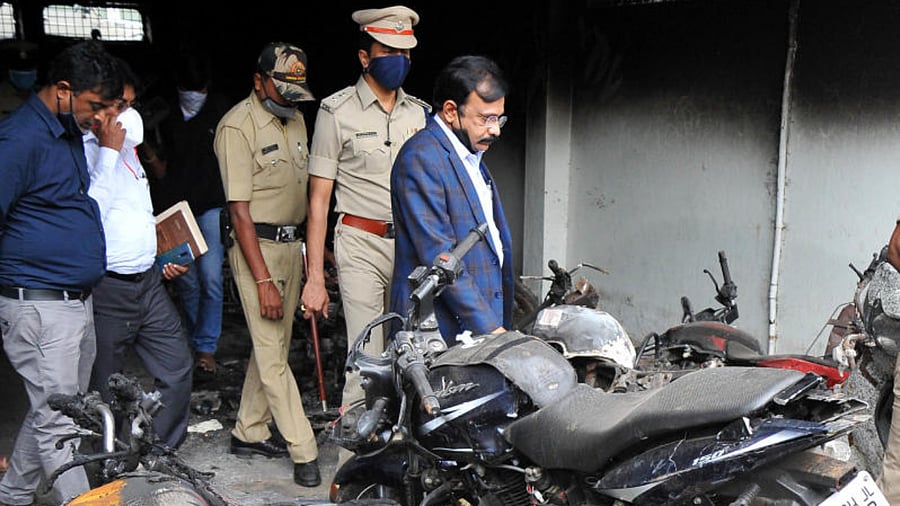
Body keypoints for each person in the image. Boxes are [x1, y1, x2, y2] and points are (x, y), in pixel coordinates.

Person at [0, 40, 122, 506]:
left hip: (72, 302)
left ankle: (12, 495)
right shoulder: (19, 139)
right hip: (38, 304)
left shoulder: (67, 132)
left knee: (54, 410)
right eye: (96, 105)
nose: (102, 116)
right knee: (59, 421)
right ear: (63, 90)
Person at [300, 5, 428, 404]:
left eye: (404, 52)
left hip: (409, 247)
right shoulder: (335, 112)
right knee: (367, 358)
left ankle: (402, 442)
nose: (398, 60)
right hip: (360, 243)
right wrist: (315, 278)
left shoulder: (419, 114)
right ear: (364, 57)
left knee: (413, 354)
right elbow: (318, 200)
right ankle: (354, 442)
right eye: (388, 52)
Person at [214, 41, 320, 488]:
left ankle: (249, 430)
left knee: (273, 345)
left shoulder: (296, 118)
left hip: (292, 246)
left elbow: (302, 191)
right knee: (275, 356)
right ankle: (305, 449)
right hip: (255, 248)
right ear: (258, 81)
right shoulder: (236, 127)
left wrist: (315, 250)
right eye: (281, 92)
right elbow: (239, 212)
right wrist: (262, 281)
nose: (289, 102)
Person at [84, 61, 194, 451]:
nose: (127, 115)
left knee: (177, 367)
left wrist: (161, 258)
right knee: (104, 386)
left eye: (131, 105)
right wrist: (108, 152)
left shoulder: (130, 152)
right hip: (107, 288)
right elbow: (89, 216)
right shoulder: (82, 153)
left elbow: (133, 217)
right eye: (120, 105)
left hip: (147, 283)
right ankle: (105, 463)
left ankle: (157, 451)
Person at [389, 55, 514, 341]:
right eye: (486, 118)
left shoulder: (470, 154)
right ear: (450, 111)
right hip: (438, 331)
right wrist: (491, 329)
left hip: (478, 326)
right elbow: (440, 257)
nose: (495, 129)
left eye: (499, 118)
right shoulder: (421, 158)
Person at [141, 45, 231, 374]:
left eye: (199, 89)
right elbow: (161, 169)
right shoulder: (163, 114)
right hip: (175, 210)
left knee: (211, 279)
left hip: (211, 206)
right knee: (187, 282)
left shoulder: (222, 110)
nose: (195, 94)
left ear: (208, 86)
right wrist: (146, 145)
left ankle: (206, 347)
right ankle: (198, 343)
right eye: (188, 88)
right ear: (178, 86)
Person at [0, 41, 40, 118]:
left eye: (29, 69)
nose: (25, 74)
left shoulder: (44, 94)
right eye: (20, 70)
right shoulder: (2, 96)